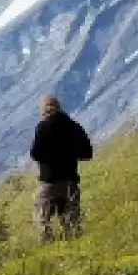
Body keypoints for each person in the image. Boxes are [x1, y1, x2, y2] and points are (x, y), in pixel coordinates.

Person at [30, 95, 93, 242]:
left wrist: (50, 160)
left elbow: (35, 154)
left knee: (41, 217)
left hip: (49, 183)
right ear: (59, 107)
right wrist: (69, 156)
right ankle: (73, 247)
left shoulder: (42, 127)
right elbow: (87, 153)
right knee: (71, 221)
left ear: (43, 110)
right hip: (70, 181)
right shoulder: (75, 126)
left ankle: (48, 246)